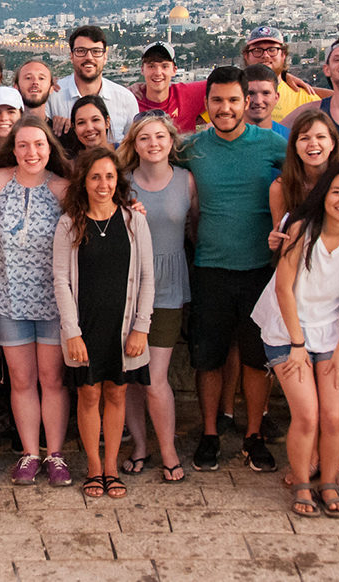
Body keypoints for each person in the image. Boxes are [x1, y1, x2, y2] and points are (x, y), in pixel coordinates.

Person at [183, 66, 285, 473]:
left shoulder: (272, 144)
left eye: (232, 100)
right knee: (207, 359)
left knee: (256, 360)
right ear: (206, 104)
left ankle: (253, 435)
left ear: (248, 102)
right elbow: (145, 160)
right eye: (217, 101)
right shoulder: (192, 148)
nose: (225, 108)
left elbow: (320, 170)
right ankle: (210, 433)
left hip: (260, 270)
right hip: (209, 268)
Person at [251, 164, 339, 517]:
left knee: (333, 416)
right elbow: (284, 287)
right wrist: (298, 345)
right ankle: (302, 482)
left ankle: (329, 481)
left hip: (332, 332)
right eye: (337, 192)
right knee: (307, 414)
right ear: (324, 193)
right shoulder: (301, 228)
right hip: (288, 329)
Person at [53, 148, 155, 500]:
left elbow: (146, 277)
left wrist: (141, 327)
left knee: (117, 392)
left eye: (109, 176)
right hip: (85, 325)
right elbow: (61, 281)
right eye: (95, 176)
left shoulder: (134, 220)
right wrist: (71, 332)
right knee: (89, 393)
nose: (103, 183)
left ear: (118, 180)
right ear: (84, 180)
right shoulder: (70, 222)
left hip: (123, 325)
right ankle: (93, 467)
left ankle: (111, 466)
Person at [0, 117, 71, 486]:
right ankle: (29, 452)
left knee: (52, 379)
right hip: (9, 298)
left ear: (50, 148)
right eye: (23, 145)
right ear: (13, 148)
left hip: (53, 299)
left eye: (38, 144)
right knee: (20, 380)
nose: (31, 152)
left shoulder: (63, 188)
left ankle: (55, 454)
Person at [118, 111, 195, 481]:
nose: (153, 144)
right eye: (145, 138)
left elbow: (194, 227)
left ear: (171, 141)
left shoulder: (186, 180)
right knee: (131, 376)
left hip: (168, 287)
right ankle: (140, 445)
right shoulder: (123, 182)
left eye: (160, 137)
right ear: (134, 144)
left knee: (155, 377)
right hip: (129, 286)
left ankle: (168, 450)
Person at [46, 25, 137, 144]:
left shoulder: (125, 99)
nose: (89, 57)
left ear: (105, 57)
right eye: (81, 51)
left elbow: (133, 146)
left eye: (96, 51)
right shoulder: (53, 96)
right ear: (71, 56)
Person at [268, 111, 339, 247]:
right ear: (295, 146)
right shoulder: (281, 187)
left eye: (320, 137)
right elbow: (280, 238)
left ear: (332, 143)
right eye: (304, 138)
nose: (313, 143)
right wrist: (275, 241)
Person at [241, 26, 322, 122]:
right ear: (246, 56)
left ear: (283, 55)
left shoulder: (307, 100)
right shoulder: (230, 97)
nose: (265, 55)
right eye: (257, 50)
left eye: (272, 50)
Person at [129, 42, 206, 134]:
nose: (158, 72)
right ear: (142, 70)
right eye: (151, 66)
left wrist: (207, 119)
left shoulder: (187, 94)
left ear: (174, 70)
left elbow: (225, 82)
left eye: (164, 66)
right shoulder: (130, 102)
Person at [245, 64, 290, 138]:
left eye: (265, 93)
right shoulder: (223, 139)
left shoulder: (290, 140)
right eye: (251, 93)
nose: (258, 101)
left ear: (276, 97)